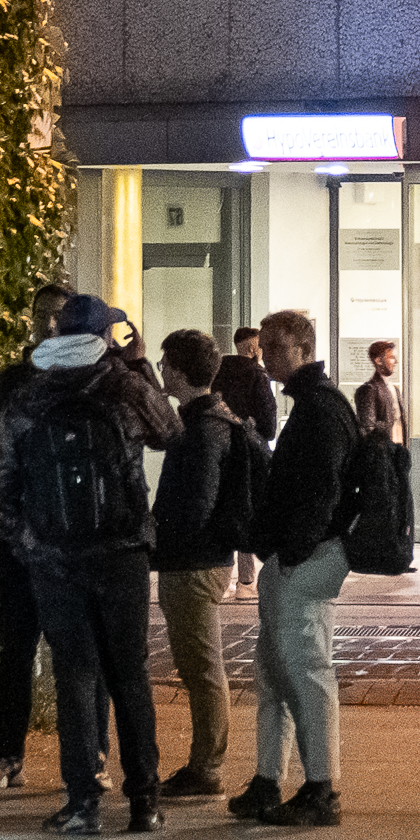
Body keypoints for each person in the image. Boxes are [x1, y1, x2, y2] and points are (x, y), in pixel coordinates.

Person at [0, 299, 177, 833]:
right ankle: (145, 802)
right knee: (129, 676)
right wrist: (137, 363)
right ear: (105, 335)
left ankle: (82, 804)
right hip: (122, 554)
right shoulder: (124, 385)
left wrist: (31, 541)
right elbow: (170, 433)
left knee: (74, 674)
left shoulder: (29, 391)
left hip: (55, 559)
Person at [227, 310, 359, 829]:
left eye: (277, 348)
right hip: (302, 554)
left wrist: (292, 550)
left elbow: (321, 490)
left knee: (302, 670)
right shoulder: (318, 404)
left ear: (302, 349)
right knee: (279, 670)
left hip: (305, 557)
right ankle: (270, 780)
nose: (267, 357)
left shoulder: (320, 409)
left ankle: (319, 787)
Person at [0, 283, 71, 792]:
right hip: (16, 543)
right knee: (15, 649)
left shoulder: (86, 380)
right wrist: (6, 526)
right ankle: (7, 755)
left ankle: (89, 755)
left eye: (57, 315)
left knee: (75, 650)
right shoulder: (10, 382)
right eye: (40, 315)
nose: (47, 325)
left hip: (69, 545)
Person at [149, 329, 250, 802]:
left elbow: (195, 504)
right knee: (199, 668)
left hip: (193, 563)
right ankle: (205, 762)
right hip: (198, 560)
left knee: (202, 669)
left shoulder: (203, 429)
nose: (161, 367)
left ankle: (207, 767)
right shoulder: (208, 419)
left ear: (182, 369)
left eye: (167, 361)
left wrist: (157, 534)